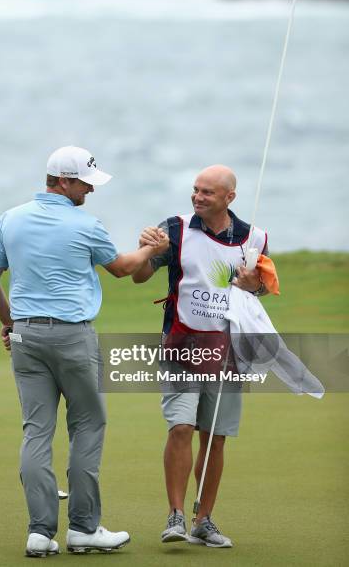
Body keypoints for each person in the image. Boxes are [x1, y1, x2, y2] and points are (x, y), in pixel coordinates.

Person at [0, 146, 168, 557]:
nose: (90, 191)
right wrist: (152, 250)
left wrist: (12, 324)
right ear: (63, 181)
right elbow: (122, 268)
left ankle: (39, 533)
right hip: (72, 337)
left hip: (26, 338)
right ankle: (83, 529)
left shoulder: (10, 219)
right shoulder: (85, 224)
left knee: (36, 431)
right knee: (87, 425)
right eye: (85, 183)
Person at [132, 164, 269, 548]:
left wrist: (252, 284)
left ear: (230, 197)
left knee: (215, 438)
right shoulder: (175, 228)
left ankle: (203, 520)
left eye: (207, 192)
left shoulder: (253, 237)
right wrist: (148, 251)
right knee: (180, 427)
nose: (197, 197)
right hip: (182, 344)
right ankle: (175, 515)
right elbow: (139, 276)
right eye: (195, 189)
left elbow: (261, 290)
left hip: (228, 351)